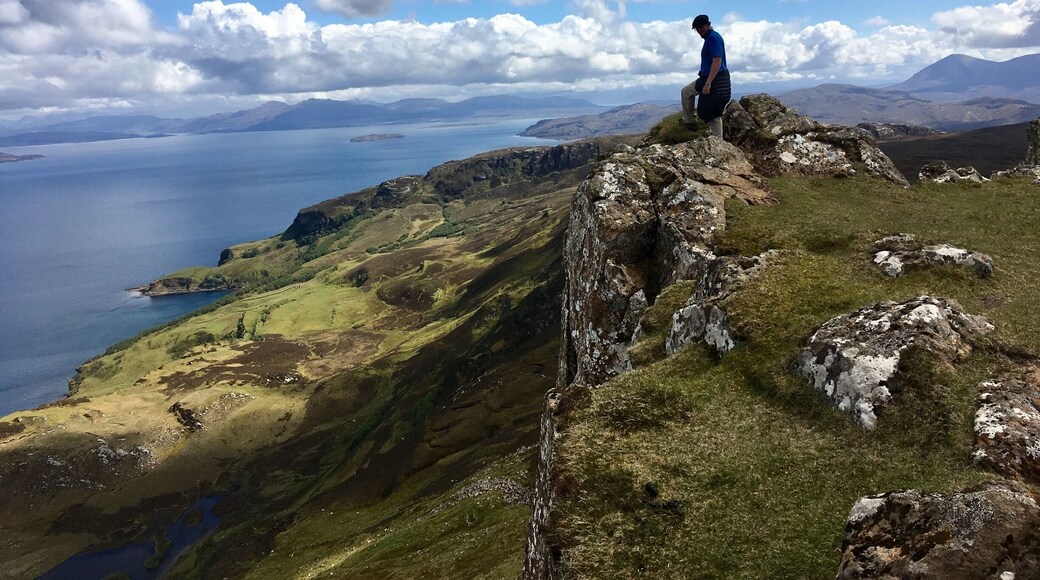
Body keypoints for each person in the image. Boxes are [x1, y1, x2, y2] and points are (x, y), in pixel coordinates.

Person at [681, 14, 730, 139]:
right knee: (686, 92)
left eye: (701, 28)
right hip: (708, 77)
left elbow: (717, 61)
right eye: (697, 29)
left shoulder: (713, 38)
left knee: (713, 113)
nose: (699, 31)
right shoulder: (710, 38)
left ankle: (718, 143)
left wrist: (708, 83)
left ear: (708, 25)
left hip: (715, 79)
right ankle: (690, 122)